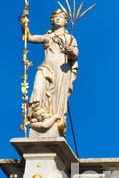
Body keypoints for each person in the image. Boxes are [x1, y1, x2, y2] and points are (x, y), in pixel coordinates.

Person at [23, 8, 79, 137]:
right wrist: (24, 22)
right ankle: (38, 115)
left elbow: (75, 54)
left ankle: (53, 119)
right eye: (55, 17)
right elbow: (29, 37)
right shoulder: (48, 37)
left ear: (66, 21)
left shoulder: (69, 37)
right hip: (46, 67)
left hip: (61, 70)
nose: (58, 18)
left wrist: (70, 50)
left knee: (57, 98)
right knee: (38, 88)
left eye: (61, 17)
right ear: (52, 21)